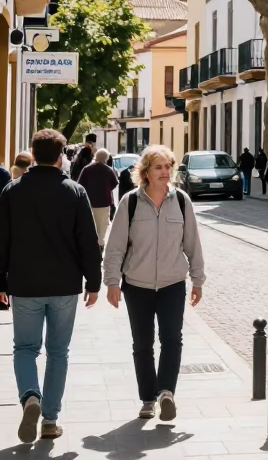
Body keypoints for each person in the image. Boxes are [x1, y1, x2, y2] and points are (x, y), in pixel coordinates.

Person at [0, 128, 101, 442]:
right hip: (64, 284)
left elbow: (1, 240)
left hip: (24, 284)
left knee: (25, 348)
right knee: (58, 352)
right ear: (61, 157)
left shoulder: (12, 192)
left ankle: (31, 396)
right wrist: (94, 282)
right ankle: (50, 420)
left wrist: (0, 280)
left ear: (33, 152)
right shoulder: (74, 191)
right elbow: (88, 241)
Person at [103, 145, 205, 422]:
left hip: (173, 283)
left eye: (168, 166)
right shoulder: (130, 202)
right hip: (137, 284)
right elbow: (115, 247)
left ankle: (166, 393)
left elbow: (193, 244)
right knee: (142, 343)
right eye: (158, 167)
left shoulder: (182, 201)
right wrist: (112, 282)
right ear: (145, 171)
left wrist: (198, 280)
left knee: (172, 339)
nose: (165, 172)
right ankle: (148, 399)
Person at [78, 149, 120, 246]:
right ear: (106, 158)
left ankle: (91, 243)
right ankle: (100, 244)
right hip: (104, 202)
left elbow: (80, 184)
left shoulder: (87, 169)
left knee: (90, 224)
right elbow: (114, 184)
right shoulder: (108, 170)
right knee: (102, 225)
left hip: (89, 202)